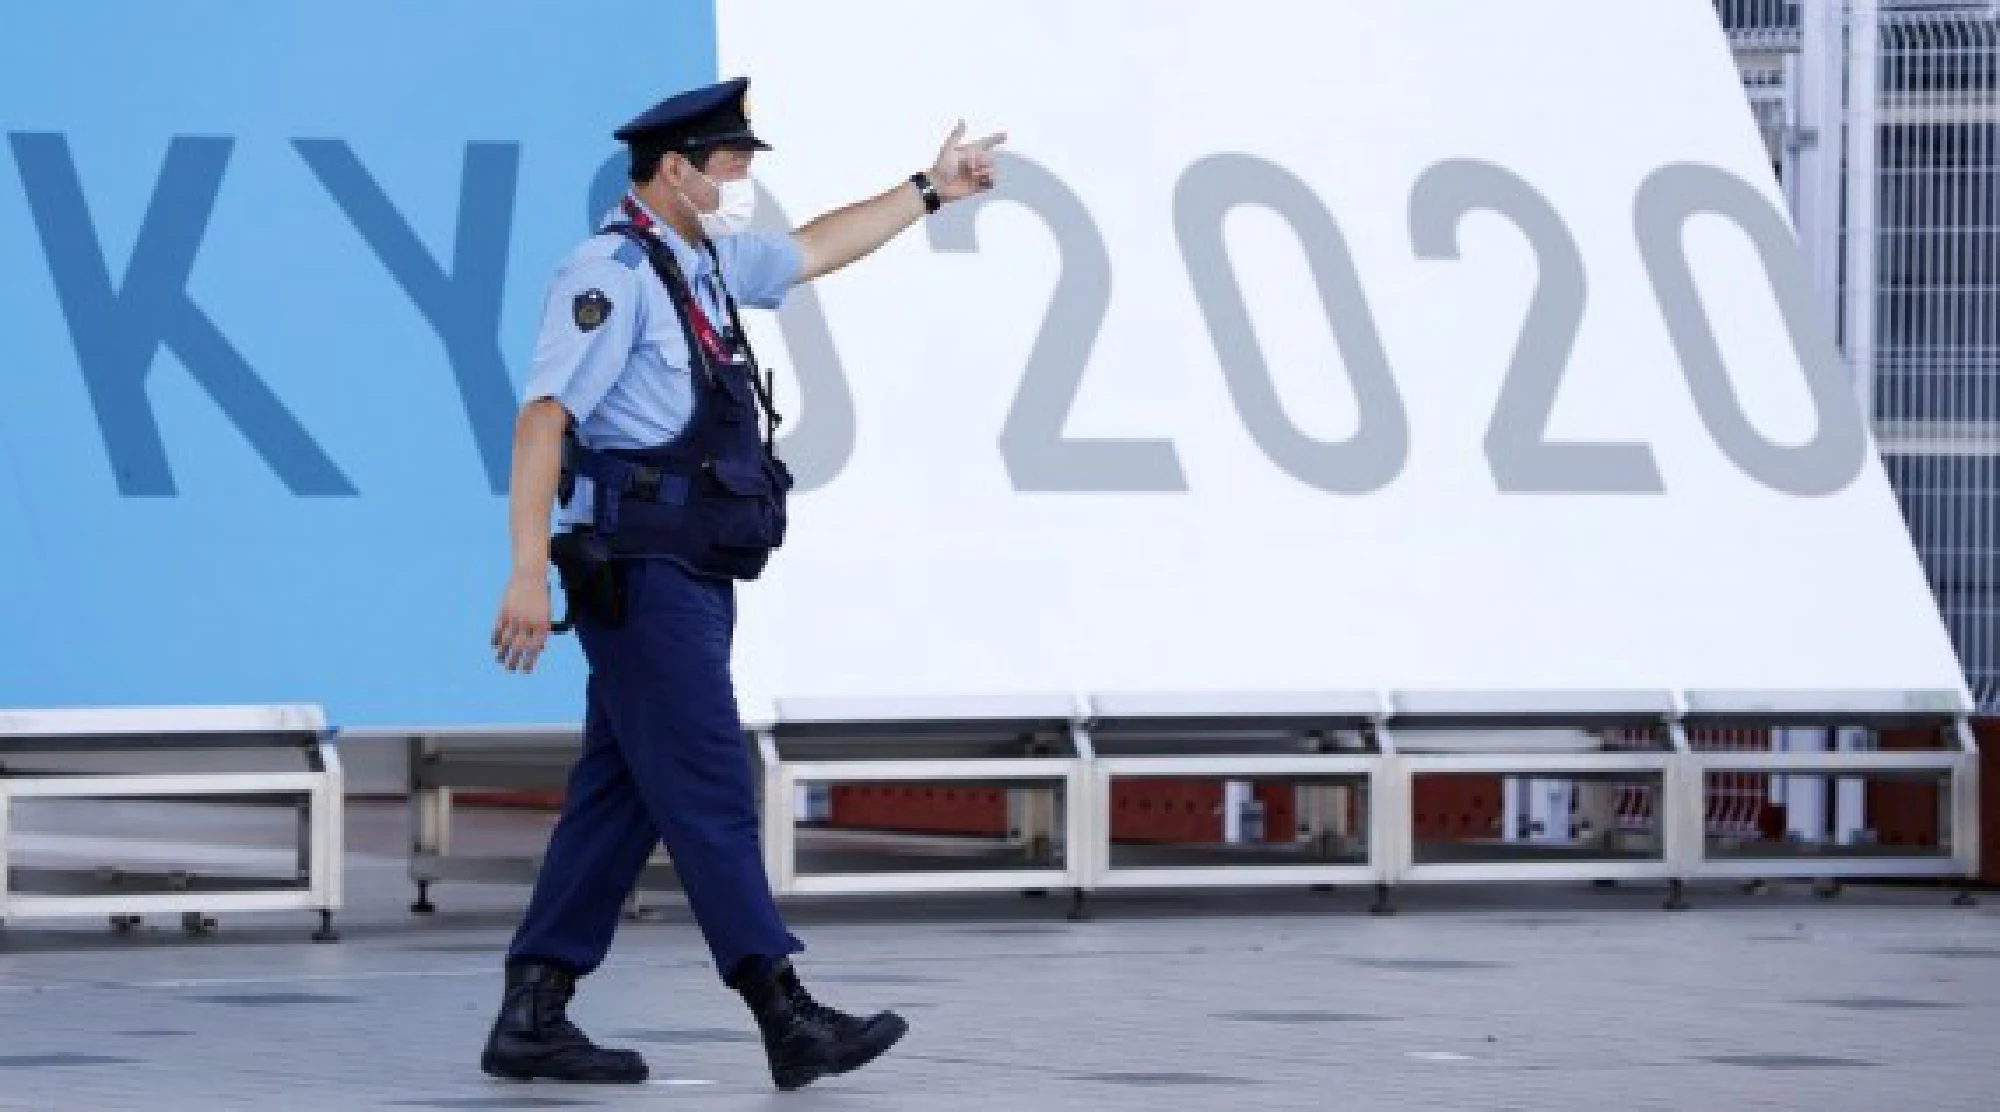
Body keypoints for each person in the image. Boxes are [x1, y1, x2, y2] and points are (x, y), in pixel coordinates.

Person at [481, 76, 1003, 1091]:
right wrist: (523, 569)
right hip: (638, 571)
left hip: (692, 568)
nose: (742, 181)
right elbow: (542, 417)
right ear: (672, 168)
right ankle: (784, 1009)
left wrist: (929, 191)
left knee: (621, 792)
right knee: (712, 779)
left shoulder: (703, 259)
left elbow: (814, 247)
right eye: (728, 165)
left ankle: (533, 1007)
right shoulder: (613, 271)